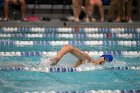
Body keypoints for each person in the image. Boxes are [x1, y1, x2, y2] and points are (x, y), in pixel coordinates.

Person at [47, 44, 113, 68]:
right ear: (101, 57)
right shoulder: (88, 59)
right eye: (104, 58)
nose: (104, 61)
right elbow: (68, 47)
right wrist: (58, 57)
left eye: (106, 61)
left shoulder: (91, 65)